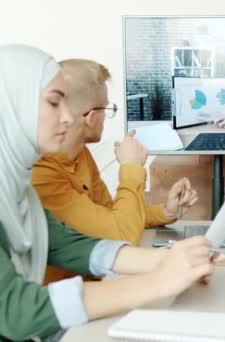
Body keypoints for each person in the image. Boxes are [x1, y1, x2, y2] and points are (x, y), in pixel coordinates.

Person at [0, 45, 213, 341]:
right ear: (6, 105)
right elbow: (17, 312)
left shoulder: (3, 184)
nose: (69, 118)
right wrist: (158, 282)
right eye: (54, 102)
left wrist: (168, 262)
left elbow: (70, 245)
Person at [32, 59, 199, 283]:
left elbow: (111, 214)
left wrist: (165, 212)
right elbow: (121, 236)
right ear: (91, 118)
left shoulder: (80, 154)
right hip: (62, 303)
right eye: (107, 109)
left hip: (92, 286)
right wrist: (131, 167)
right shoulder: (42, 175)